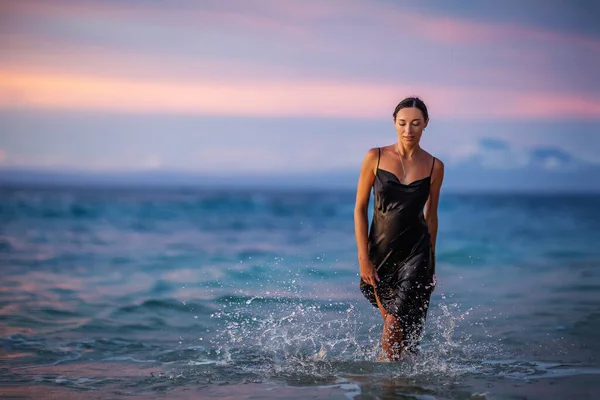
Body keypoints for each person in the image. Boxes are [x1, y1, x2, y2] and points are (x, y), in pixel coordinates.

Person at [354, 96, 444, 361]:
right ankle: (402, 383)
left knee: (394, 323)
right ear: (394, 123)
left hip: (417, 253)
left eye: (416, 123)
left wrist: (432, 262)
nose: (409, 130)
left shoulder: (434, 166)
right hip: (381, 253)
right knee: (398, 331)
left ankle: (386, 384)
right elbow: (359, 208)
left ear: (425, 124)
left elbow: (432, 216)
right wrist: (363, 257)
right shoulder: (376, 157)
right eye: (403, 123)